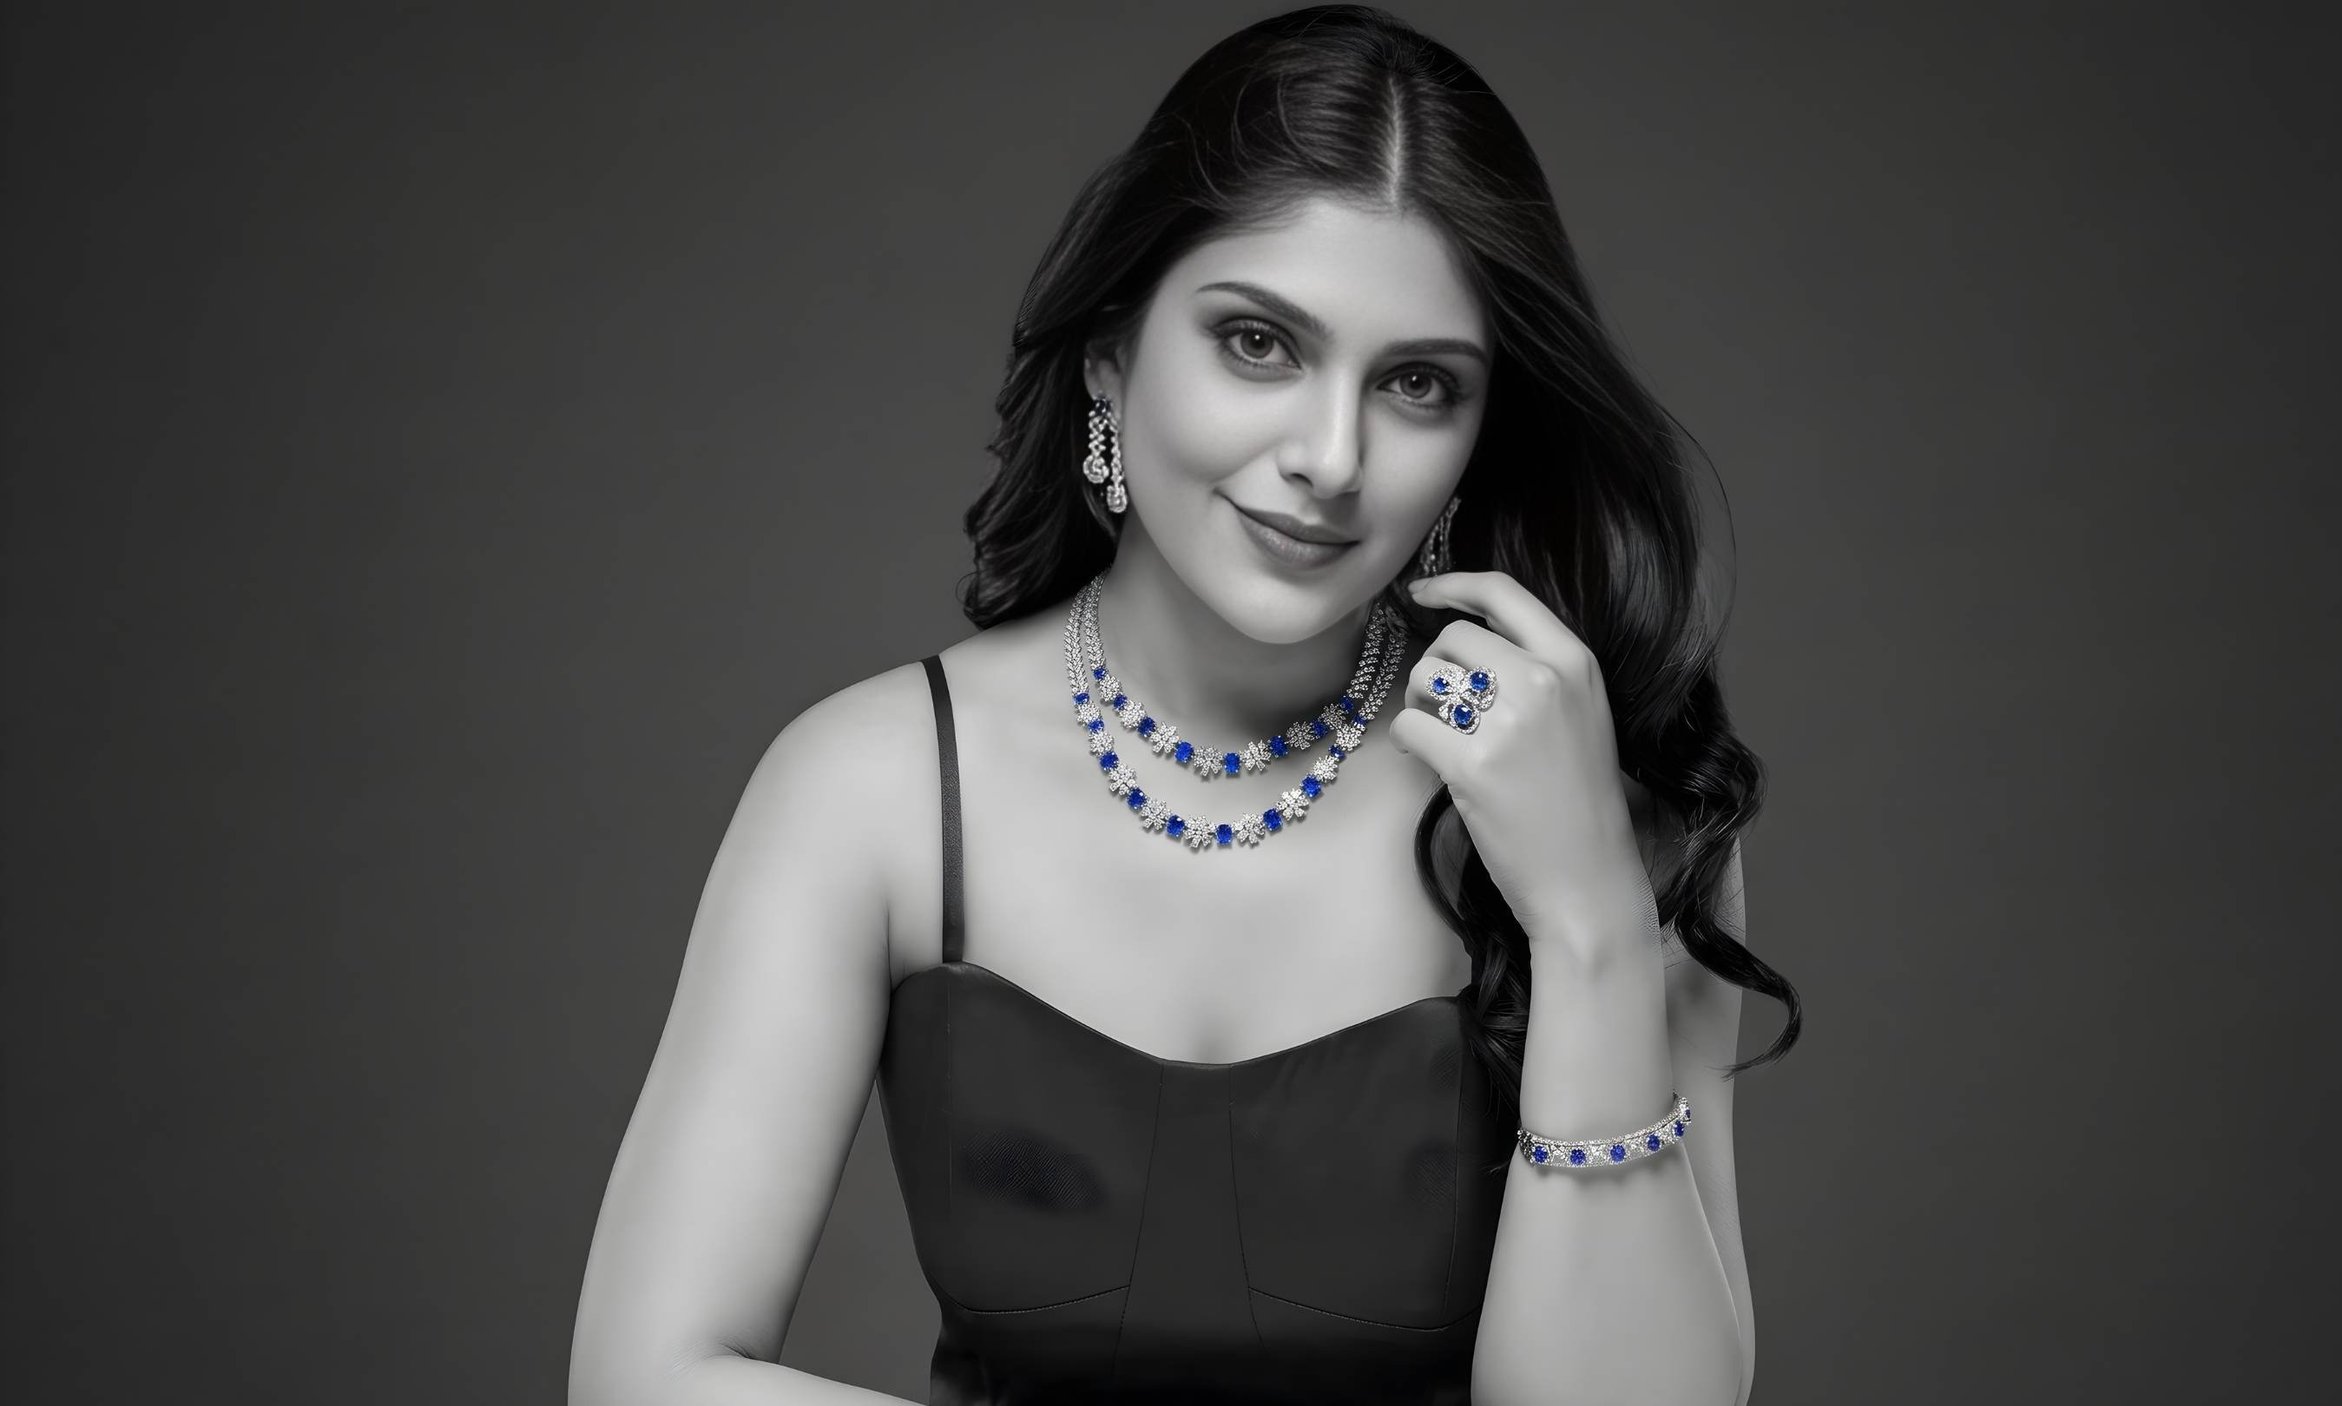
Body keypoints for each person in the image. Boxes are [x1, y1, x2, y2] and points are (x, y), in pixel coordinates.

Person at [568, 6, 1802, 1403]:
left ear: (1475, 437)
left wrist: (1588, 926)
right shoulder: (875, 786)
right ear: (1113, 355)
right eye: (1259, 344)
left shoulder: (1605, 801)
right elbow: (645, 1373)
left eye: (1414, 383)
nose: (1329, 459)